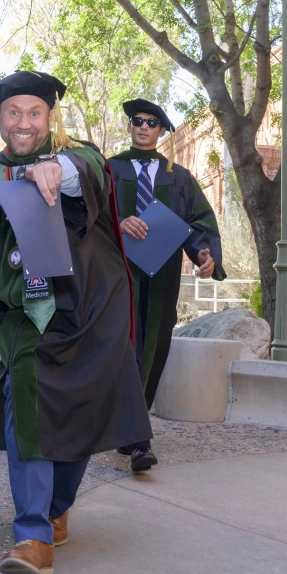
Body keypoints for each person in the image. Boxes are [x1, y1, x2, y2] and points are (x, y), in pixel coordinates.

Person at [0, 71, 151, 574]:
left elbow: (90, 175)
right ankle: (33, 534)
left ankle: (58, 506)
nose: (23, 123)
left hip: (91, 311)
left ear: (50, 117)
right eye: (12, 112)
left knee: (81, 414)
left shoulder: (77, 156)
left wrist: (53, 168)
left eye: (33, 112)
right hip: (26, 316)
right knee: (28, 410)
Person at [108, 99, 225, 472]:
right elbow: (88, 214)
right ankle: (134, 434)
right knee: (122, 347)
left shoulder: (179, 176)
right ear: (129, 126)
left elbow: (199, 222)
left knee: (154, 346)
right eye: (138, 121)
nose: (144, 127)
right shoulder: (109, 169)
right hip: (118, 273)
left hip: (161, 276)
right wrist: (119, 221)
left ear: (161, 131)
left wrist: (205, 256)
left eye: (153, 122)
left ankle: (134, 432)